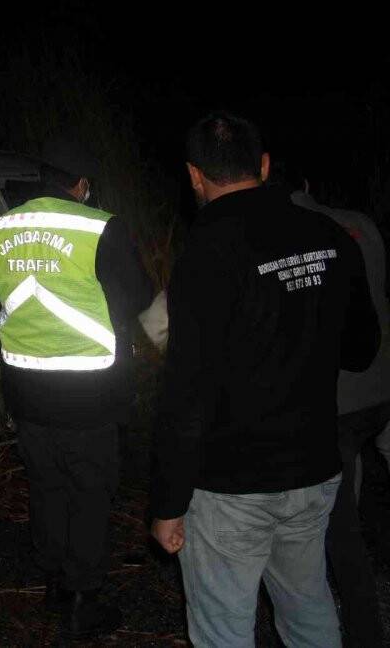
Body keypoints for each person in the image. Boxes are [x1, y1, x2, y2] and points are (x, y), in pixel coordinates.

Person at [151, 112, 380, 647]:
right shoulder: (330, 235)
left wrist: (168, 503)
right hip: (315, 470)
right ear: (264, 164)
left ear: (194, 176)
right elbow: (362, 349)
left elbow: (187, 393)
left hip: (232, 483)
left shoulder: (204, 254)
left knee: (224, 628)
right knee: (308, 608)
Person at [0, 139, 155, 638]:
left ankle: (53, 581)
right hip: (90, 392)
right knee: (91, 492)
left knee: (47, 485)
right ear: (83, 186)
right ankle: (82, 598)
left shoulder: (2, 227)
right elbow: (137, 297)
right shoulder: (100, 226)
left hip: (28, 389)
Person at [270, 162, 389, 646]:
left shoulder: (286, 237)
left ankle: (364, 632)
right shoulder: (362, 223)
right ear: (308, 184)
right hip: (384, 383)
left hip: (335, 401)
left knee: (341, 530)